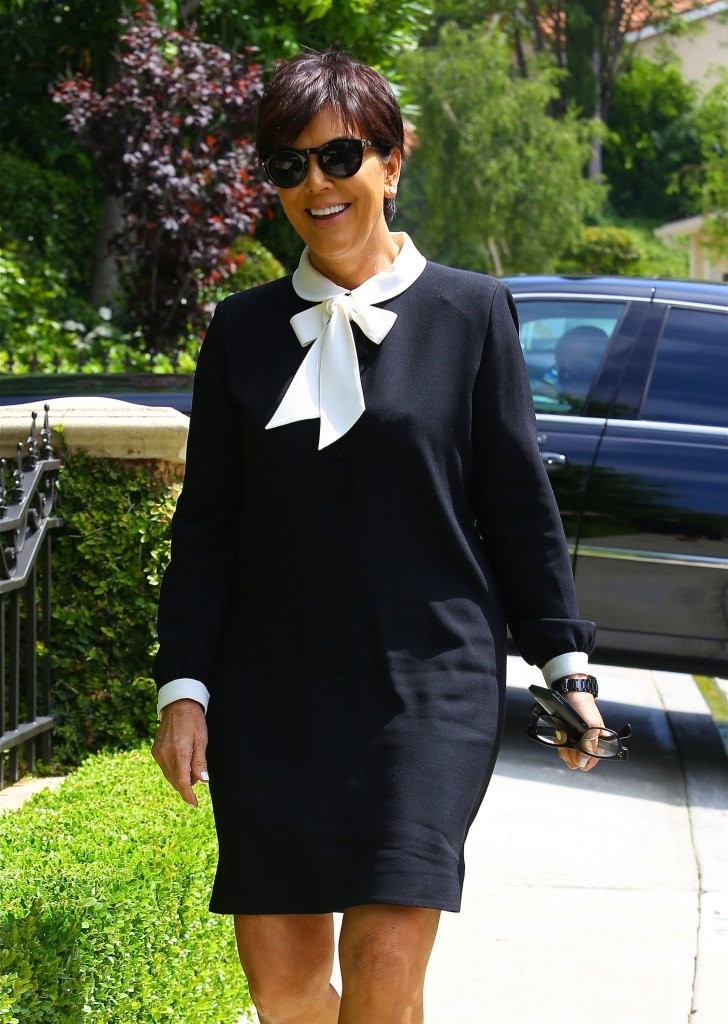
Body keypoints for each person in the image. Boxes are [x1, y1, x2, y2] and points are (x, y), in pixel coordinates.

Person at [152, 49, 606, 1024]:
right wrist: (183, 686)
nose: (316, 184)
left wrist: (564, 664)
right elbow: (208, 527)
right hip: (272, 686)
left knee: (385, 962)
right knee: (283, 989)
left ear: (391, 162)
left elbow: (517, 505)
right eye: (289, 165)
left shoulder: (471, 313)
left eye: (339, 155)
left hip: (427, 679)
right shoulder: (240, 331)